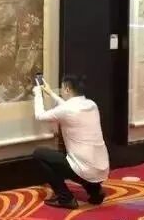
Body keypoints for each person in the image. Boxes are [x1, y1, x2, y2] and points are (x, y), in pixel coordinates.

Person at [32, 75, 109, 209]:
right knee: (80, 163)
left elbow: (40, 116)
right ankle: (95, 191)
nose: (61, 91)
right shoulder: (92, 105)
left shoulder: (67, 109)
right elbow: (68, 108)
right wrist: (51, 93)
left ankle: (65, 198)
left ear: (67, 89)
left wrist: (38, 93)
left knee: (39, 154)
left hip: (84, 169)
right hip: (102, 170)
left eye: (62, 88)